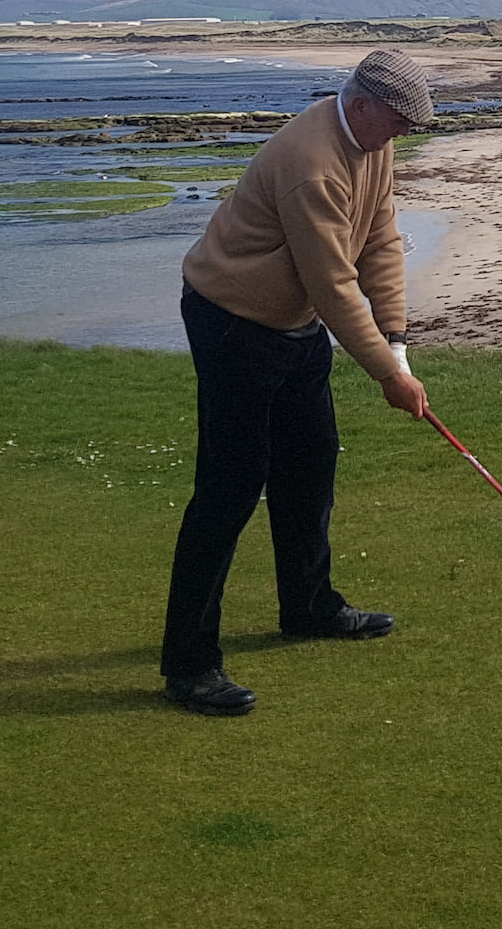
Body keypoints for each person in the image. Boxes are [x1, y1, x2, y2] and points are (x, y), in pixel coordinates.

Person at [157, 47, 435, 715]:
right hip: (232, 322)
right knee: (228, 490)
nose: (397, 136)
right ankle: (189, 664)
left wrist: (396, 342)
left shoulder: (372, 142)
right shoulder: (311, 163)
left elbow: (379, 238)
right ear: (362, 102)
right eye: (394, 123)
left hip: (293, 324)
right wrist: (385, 377)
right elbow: (333, 285)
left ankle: (308, 607)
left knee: (309, 468)